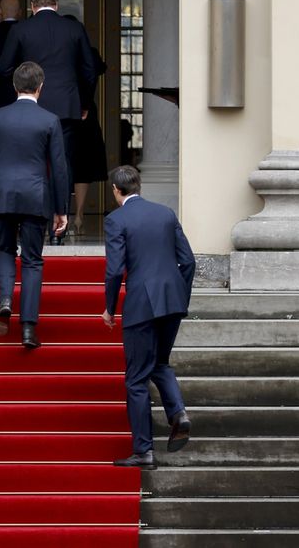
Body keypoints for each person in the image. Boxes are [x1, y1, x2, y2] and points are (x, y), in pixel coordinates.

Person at [0, 61, 69, 349]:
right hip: (36, 197)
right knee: (33, 261)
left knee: (4, 249)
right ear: (40, 87)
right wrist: (61, 208)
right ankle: (28, 329)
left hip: (1, 195)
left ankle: (5, 299)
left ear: (14, 87)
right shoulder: (50, 120)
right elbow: (59, 169)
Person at [101, 166, 194, 470]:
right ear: (138, 186)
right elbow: (188, 261)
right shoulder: (165, 213)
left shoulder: (116, 220)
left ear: (116, 190)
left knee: (136, 379)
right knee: (160, 362)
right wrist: (180, 295)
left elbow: (115, 270)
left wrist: (110, 308)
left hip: (141, 305)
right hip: (172, 301)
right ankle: (178, 413)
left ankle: (143, 451)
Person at [0, 0, 94, 241]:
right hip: (67, 108)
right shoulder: (74, 28)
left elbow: (3, 68)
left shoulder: (21, 29)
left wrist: (19, 94)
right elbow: (89, 69)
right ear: (57, 4)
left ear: (32, 6)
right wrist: (84, 102)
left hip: (30, 108)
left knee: (32, 164)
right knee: (62, 165)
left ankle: (34, 224)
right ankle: (59, 226)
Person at [64, 15, 108, 235]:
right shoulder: (90, 53)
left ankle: (57, 215)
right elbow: (97, 69)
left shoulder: (62, 53)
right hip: (85, 112)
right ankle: (79, 215)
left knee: (59, 163)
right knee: (82, 167)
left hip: (63, 112)